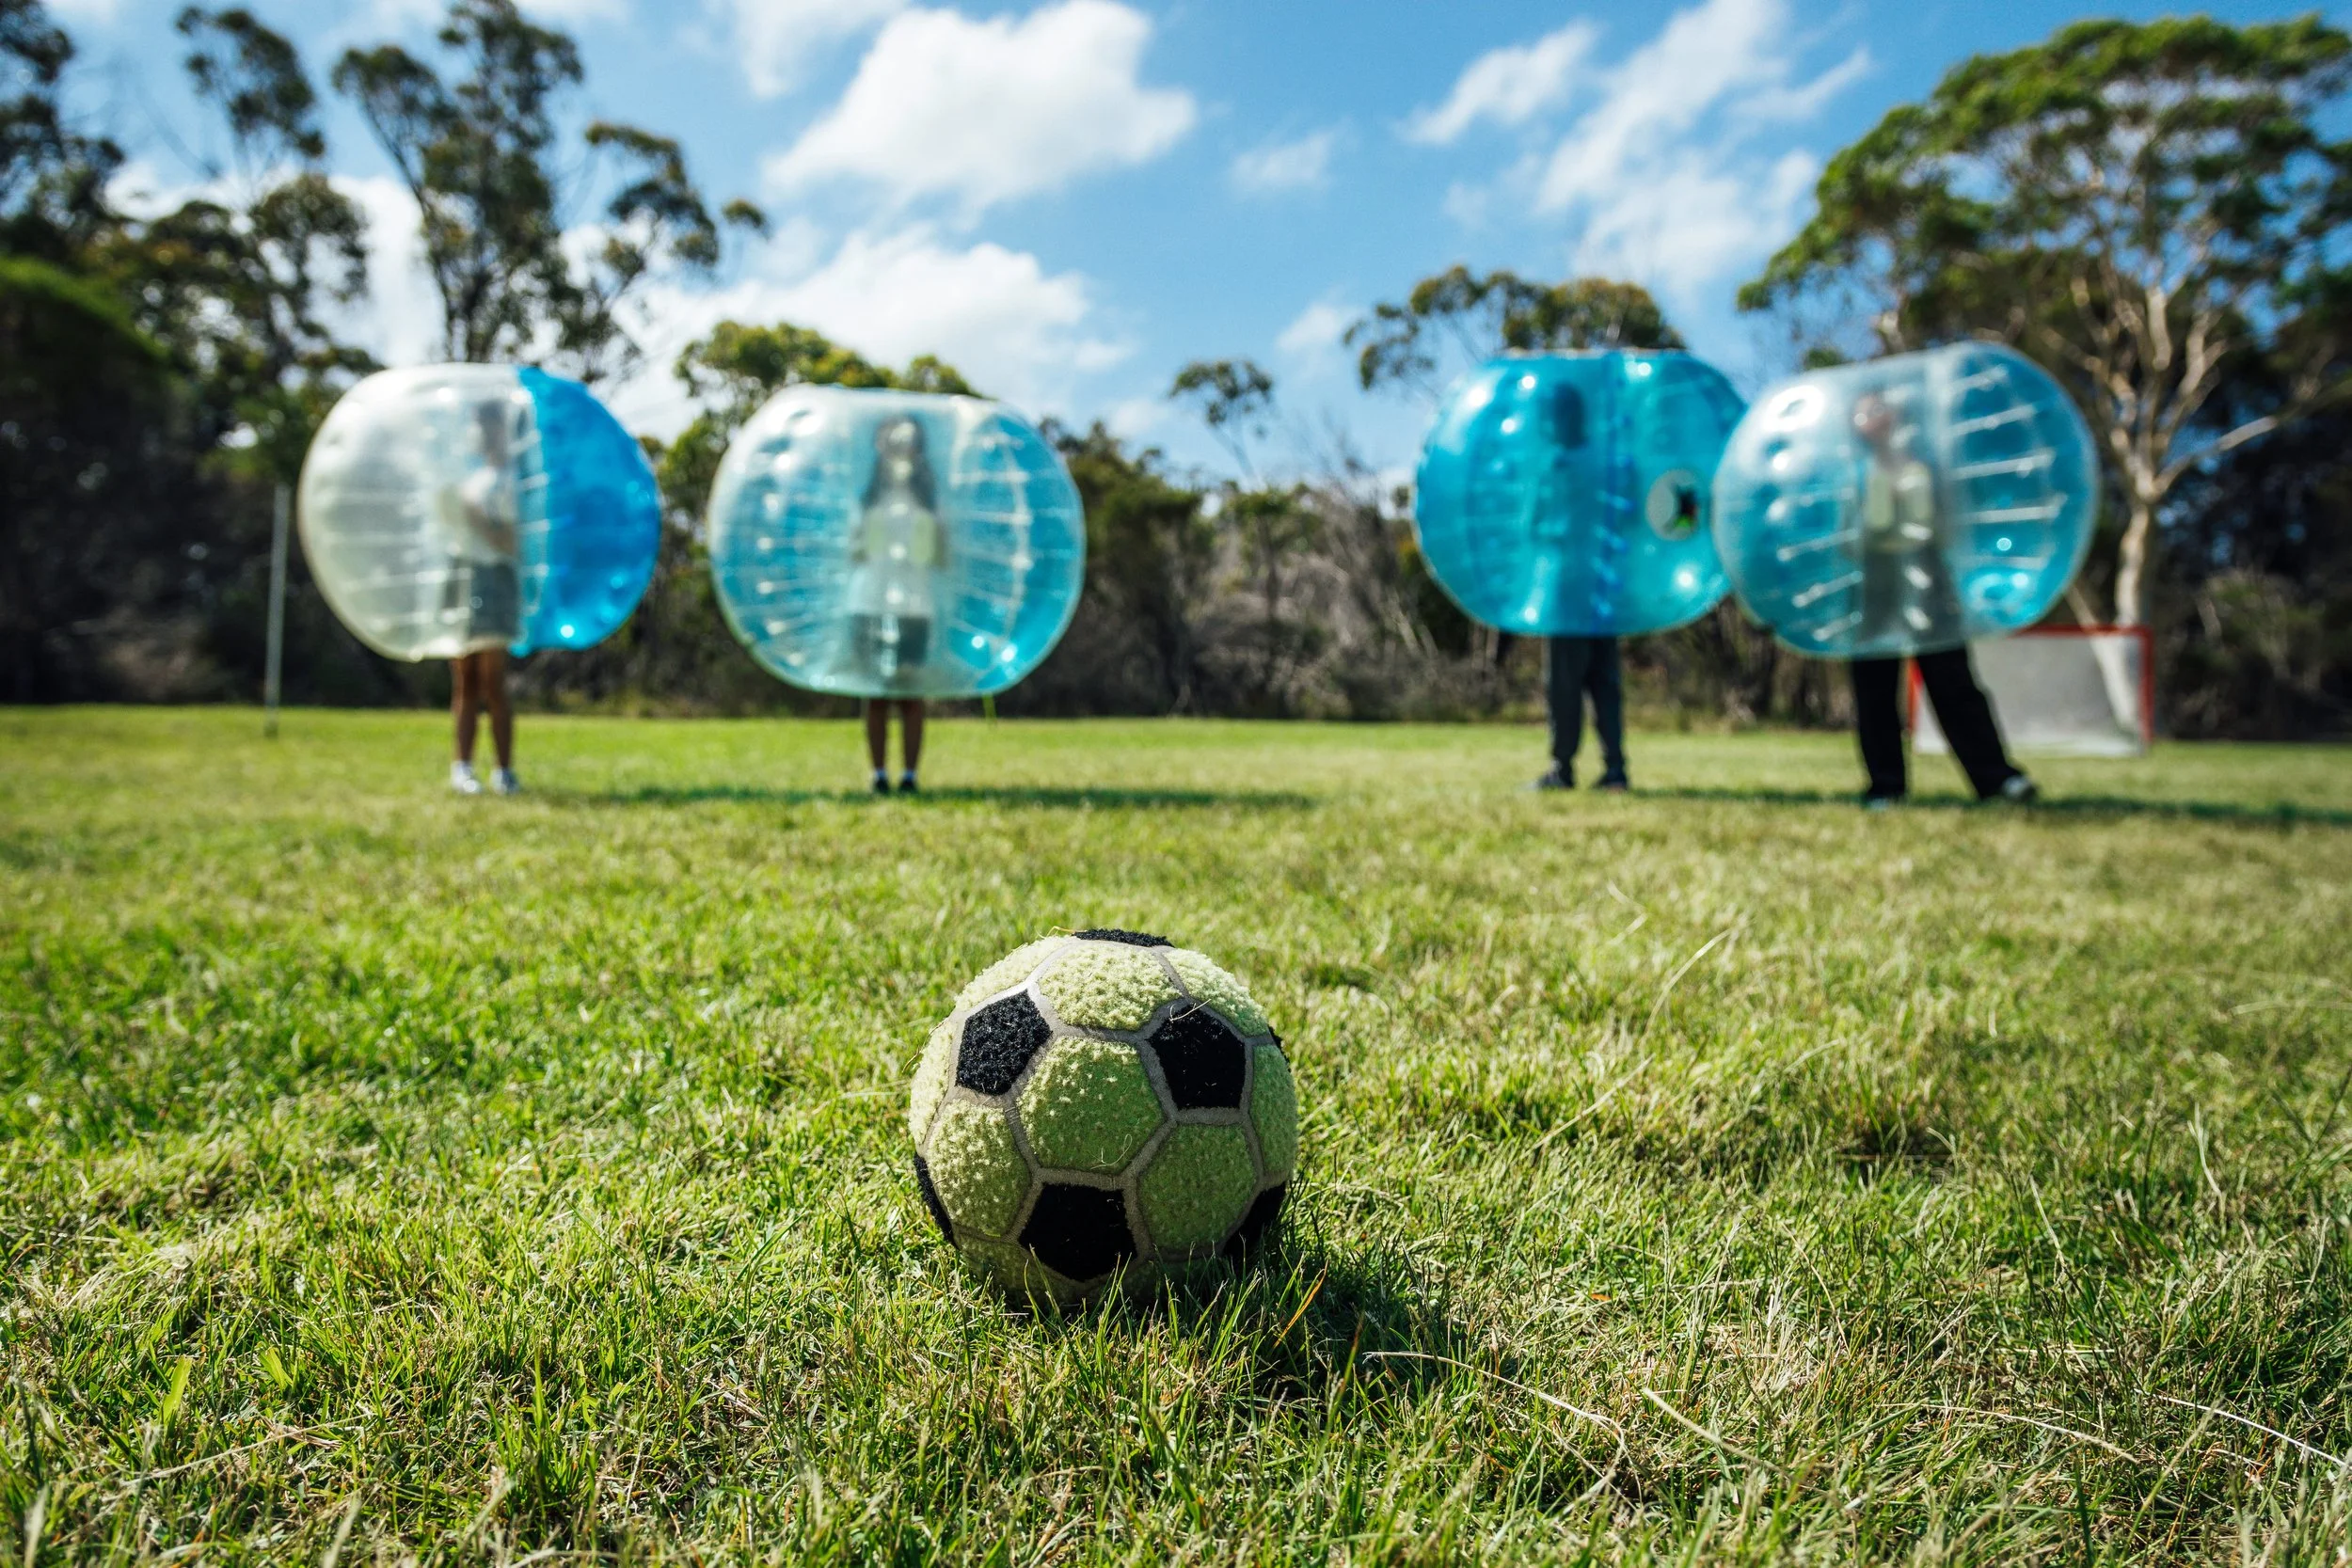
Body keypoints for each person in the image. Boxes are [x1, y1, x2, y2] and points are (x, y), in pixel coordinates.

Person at [1845, 391, 2035, 808]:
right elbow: (1846, 539)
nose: (1872, 418)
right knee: (1875, 690)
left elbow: (1949, 525)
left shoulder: (1926, 464)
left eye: (1879, 408)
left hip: (1929, 582)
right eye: (1863, 412)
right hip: (1874, 588)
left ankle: (1997, 779)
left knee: (1953, 682)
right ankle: (1886, 787)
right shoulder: (1853, 474)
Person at [1522, 379, 1629, 792]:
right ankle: (1615, 769)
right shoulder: (1608, 463)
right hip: (1605, 585)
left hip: (1567, 587)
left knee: (1566, 683)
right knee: (1605, 681)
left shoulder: (1560, 466)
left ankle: (1562, 769)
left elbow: (1535, 526)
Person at [845, 415, 947, 795]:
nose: (900, 450)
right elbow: (852, 551)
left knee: (910, 695)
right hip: (869, 603)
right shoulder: (868, 498)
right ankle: (877, 774)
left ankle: (909, 775)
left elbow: (942, 556)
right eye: (891, 442)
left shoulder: (930, 501)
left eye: (908, 442)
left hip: (915, 606)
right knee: (875, 694)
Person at [442, 398, 523, 796]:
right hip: (463, 575)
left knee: (493, 681)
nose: (484, 433)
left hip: (496, 578)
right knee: (465, 680)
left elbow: (513, 543)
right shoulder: (471, 479)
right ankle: (462, 768)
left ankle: (504, 771)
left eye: (490, 424)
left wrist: (478, 519)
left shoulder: (512, 479)